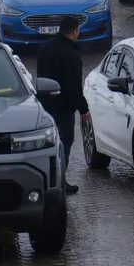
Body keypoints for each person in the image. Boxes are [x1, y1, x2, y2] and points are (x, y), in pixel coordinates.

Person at [36, 16, 87, 195]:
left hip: (45, 105)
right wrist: (84, 109)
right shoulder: (71, 54)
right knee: (64, 143)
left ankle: (48, 180)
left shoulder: (45, 48)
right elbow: (73, 85)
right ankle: (58, 182)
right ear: (74, 30)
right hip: (64, 107)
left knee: (48, 144)